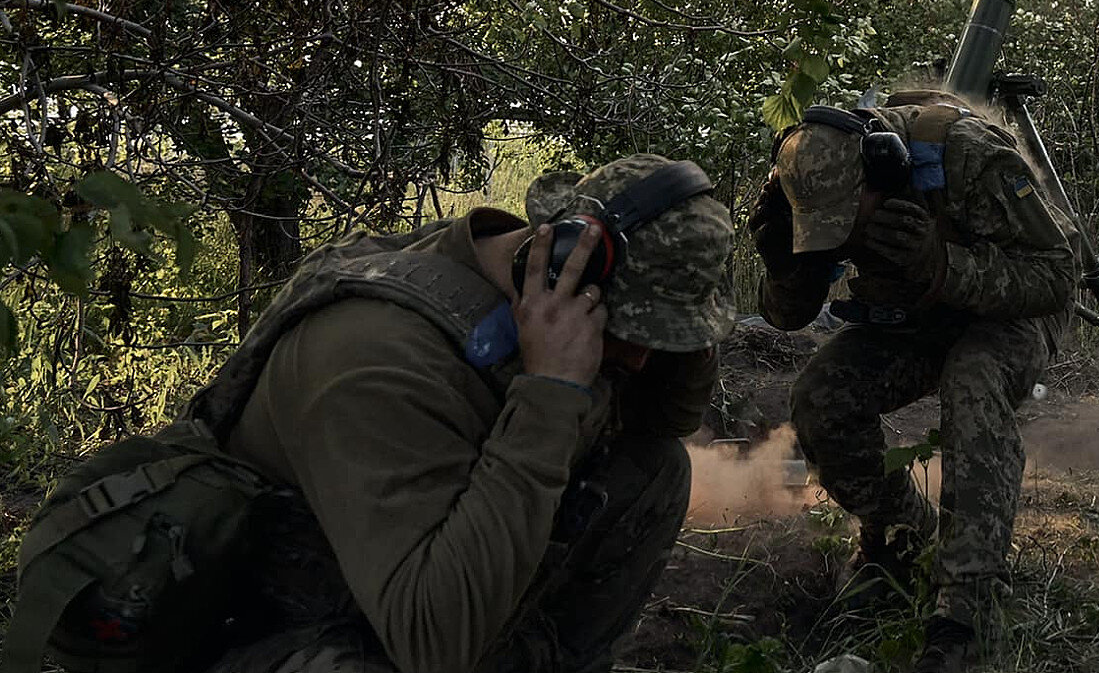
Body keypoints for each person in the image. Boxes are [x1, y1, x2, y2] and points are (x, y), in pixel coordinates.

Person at [201, 154, 735, 673]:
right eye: (631, 331)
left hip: (424, 570)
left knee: (653, 470)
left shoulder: (521, 281)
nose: (641, 358)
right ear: (555, 261)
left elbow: (665, 425)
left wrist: (684, 338)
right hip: (293, 628)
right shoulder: (376, 358)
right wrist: (549, 393)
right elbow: (434, 646)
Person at [749, 98, 1080, 673]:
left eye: (852, 222)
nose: (843, 240)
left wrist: (942, 265)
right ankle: (901, 539)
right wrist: (785, 265)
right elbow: (789, 317)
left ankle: (966, 610)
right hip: (917, 311)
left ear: (885, 169)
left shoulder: (970, 157)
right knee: (821, 396)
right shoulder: (811, 190)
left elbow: (1055, 276)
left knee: (973, 381)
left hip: (1010, 311)